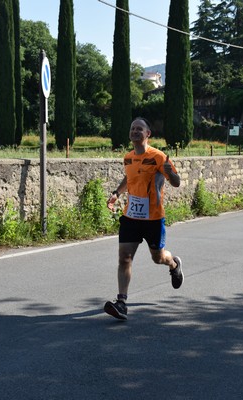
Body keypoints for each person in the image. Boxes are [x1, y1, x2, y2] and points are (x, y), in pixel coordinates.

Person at [104, 117, 183, 320]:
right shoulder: (128, 157)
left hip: (153, 219)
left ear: (148, 134)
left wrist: (170, 174)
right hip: (131, 217)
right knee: (124, 258)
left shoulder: (158, 157)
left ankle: (173, 264)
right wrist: (116, 193)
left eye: (140, 129)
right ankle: (121, 303)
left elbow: (176, 182)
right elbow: (129, 178)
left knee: (158, 258)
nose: (135, 131)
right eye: (132, 129)